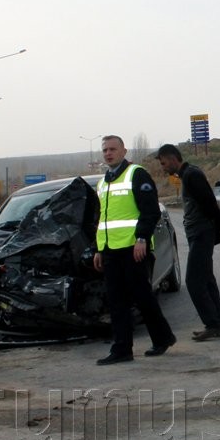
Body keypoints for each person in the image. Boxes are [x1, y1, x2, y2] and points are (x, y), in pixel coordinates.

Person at [93, 136, 177, 365]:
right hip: (110, 250)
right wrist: (99, 249)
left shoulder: (136, 174)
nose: (108, 153)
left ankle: (162, 338)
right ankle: (122, 349)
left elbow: (150, 211)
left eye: (112, 149)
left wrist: (141, 238)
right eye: (105, 150)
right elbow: (102, 220)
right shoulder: (103, 183)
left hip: (133, 249)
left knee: (142, 298)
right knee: (116, 302)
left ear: (124, 151)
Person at [156, 144, 220, 342]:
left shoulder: (191, 175)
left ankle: (213, 324)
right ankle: (218, 325)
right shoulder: (188, 174)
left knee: (194, 281)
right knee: (206, 279)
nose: (163, 167)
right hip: (199, 234)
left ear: (173, 159)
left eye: (163, 163)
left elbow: (209, 203)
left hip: (201, 234)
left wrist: (215, 229)